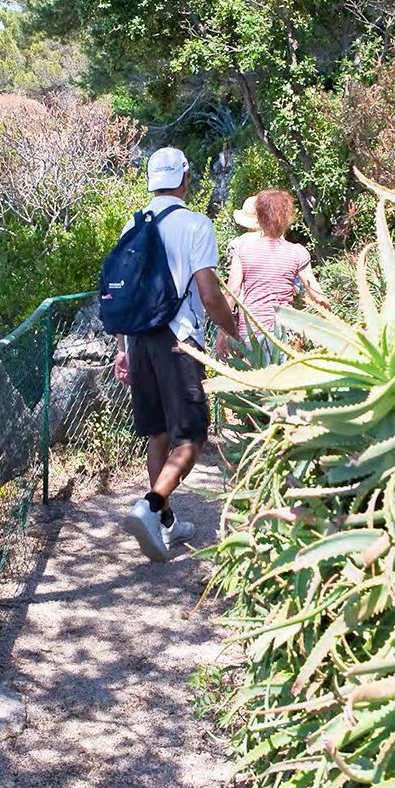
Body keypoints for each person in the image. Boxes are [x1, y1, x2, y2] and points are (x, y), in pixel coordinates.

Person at [114, 147, 241, 563]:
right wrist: (231, 328)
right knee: (191, 437)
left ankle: (167, 525)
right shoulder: (196, 224)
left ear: (150, 180)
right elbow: (208, 292)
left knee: (158, 434)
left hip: (138, 340)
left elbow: (124, 294)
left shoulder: (132, 225)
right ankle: (151, 506)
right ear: (185, 178)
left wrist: (121, 350)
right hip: (178, 341)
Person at [224, 189, 329, 350]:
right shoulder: (297, 252)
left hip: (252, 333)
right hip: (285, 334)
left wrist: (222, 331)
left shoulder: (242, 249)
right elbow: (317, 296)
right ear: (287, 218)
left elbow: (232, 293)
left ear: (259, 218)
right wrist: (333, 323)